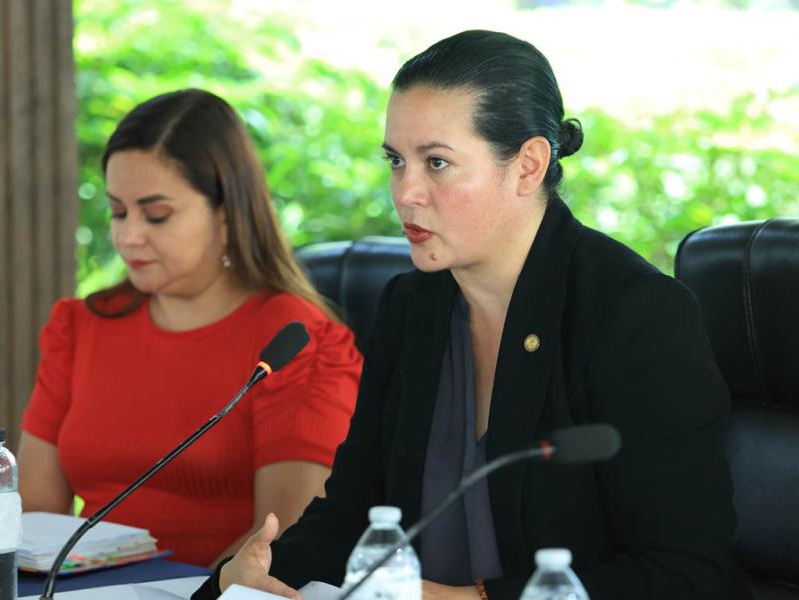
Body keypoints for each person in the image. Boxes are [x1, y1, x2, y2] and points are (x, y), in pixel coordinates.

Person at [193, 30, 745, 599]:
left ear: (528, 166)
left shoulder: (637, 315)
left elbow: (684, 575)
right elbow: (352, 517)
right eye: (396, 161)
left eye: (437, 162)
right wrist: (242, 579)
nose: (405, 192)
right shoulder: (412, 306)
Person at [18, 89, 363, 567]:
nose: (127, 235)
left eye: (156, 215)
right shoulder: (79, 326)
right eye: (118, 211)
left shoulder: (295, 340)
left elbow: (282, 537)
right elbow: (33, 523)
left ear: (227, 213)